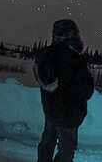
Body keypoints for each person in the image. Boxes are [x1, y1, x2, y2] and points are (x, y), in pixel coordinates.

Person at [33, 18, 94, 162]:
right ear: (71, 34)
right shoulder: (74, 59)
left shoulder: (44, 54)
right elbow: (86, 90)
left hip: (50, 109)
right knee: (67, 148)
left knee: (48, 139)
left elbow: (42, 79)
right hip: (69, 114)